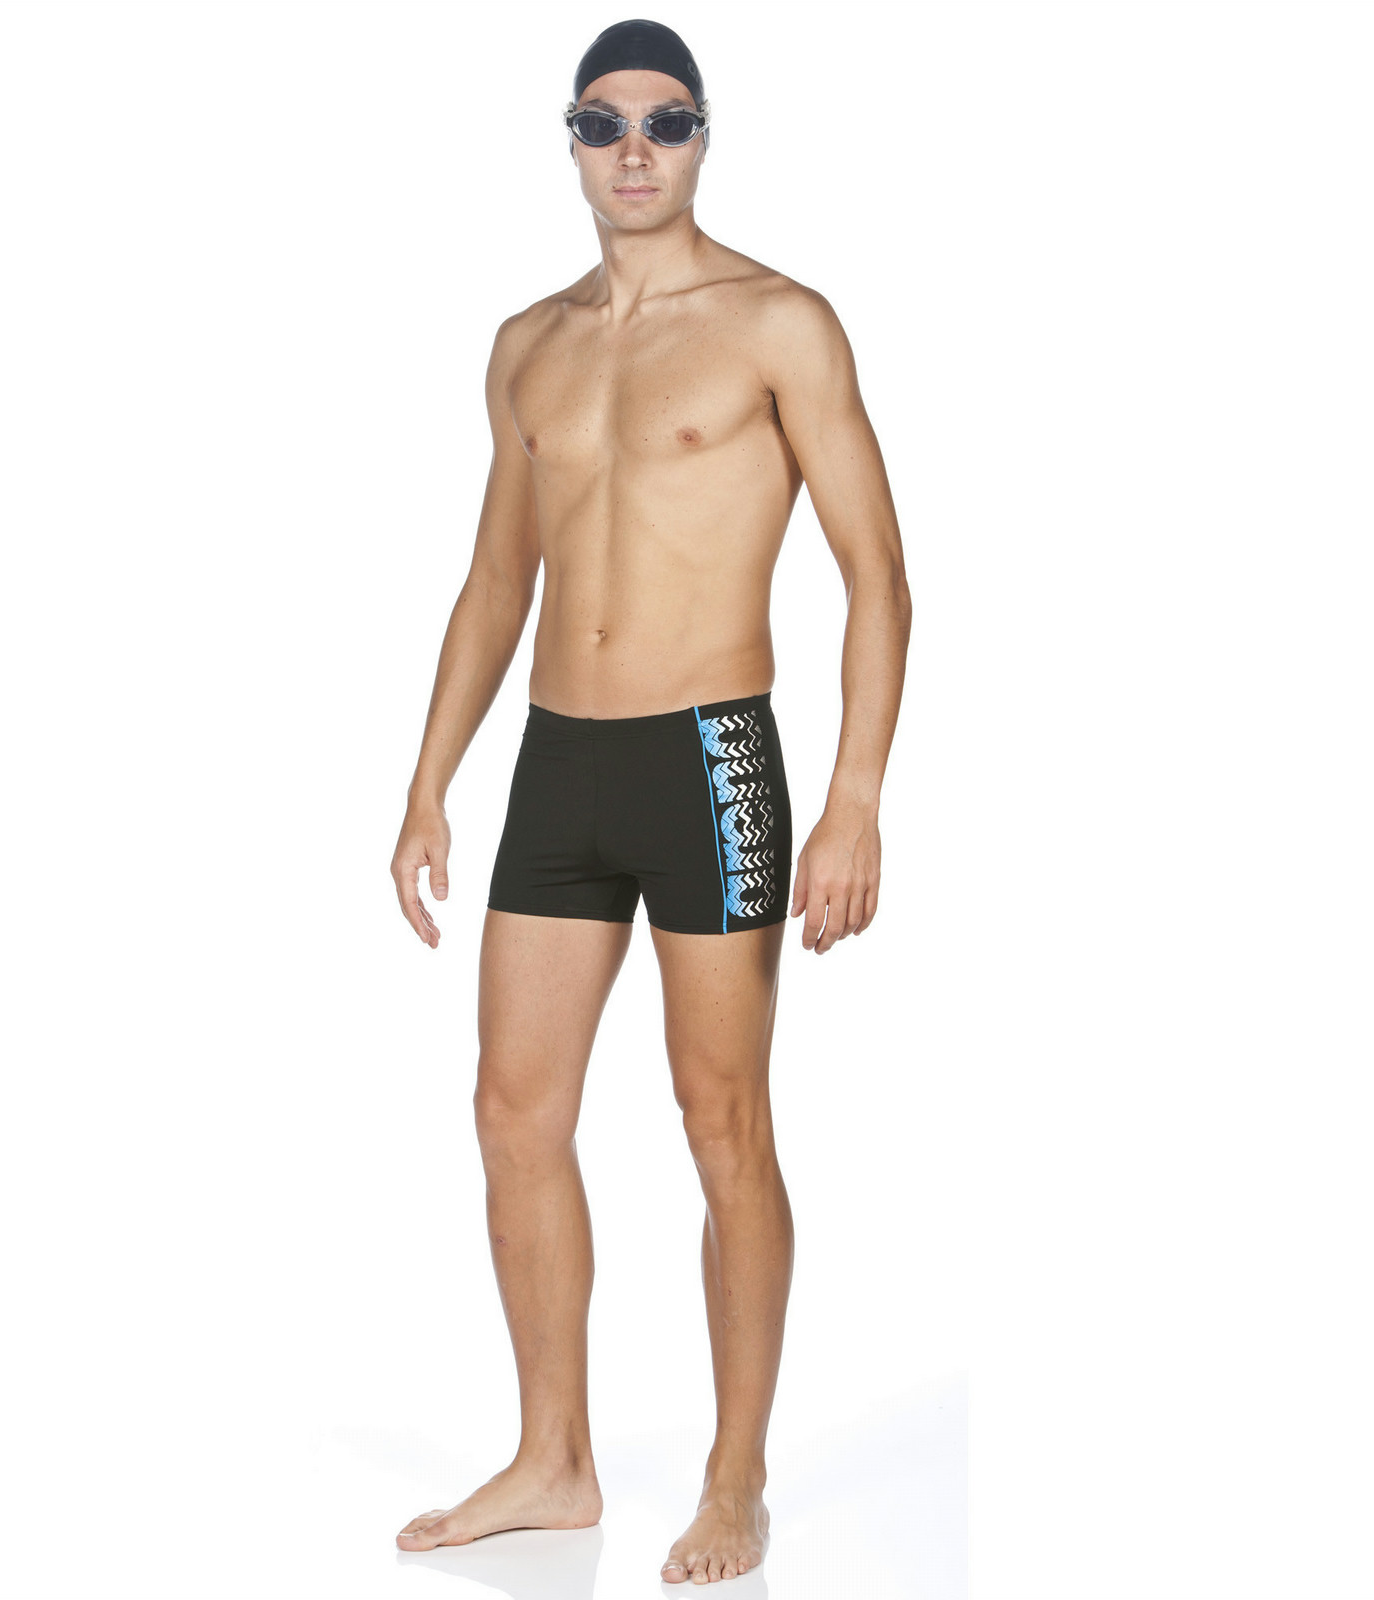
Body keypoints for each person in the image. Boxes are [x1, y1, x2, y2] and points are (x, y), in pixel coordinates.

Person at [390, 17, 911, 1587]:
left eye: (666, 122)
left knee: (722, 1118)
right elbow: (497, 581)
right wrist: (427, 781)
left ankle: (735, 1477)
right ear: (570, 140)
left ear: (702, 137)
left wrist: (855, 799)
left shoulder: (779, 323)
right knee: (512, 1111)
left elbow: (878, 577)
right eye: (605, 122)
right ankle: (555, 1459)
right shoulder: (528, 344)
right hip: (561, 760)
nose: (636, 148)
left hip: (709, 757)